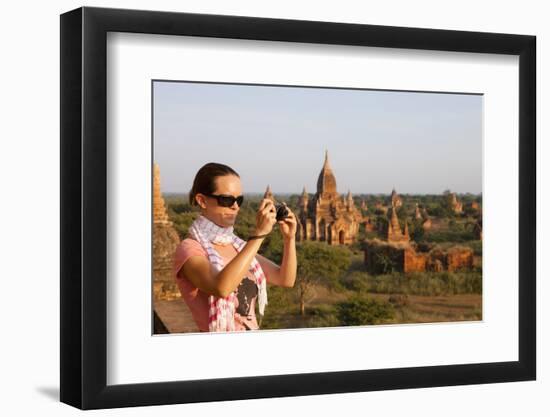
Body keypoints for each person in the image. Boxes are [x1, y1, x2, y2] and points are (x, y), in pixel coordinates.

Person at [173, 162, 297, 332]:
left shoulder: (238, 247)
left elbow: (285, 279)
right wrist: (259, 234)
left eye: (239, 200)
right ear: (201, 200)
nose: (235, 206)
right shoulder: (189, 249)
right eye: (226, 200)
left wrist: (289, 239)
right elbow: (222, 287)